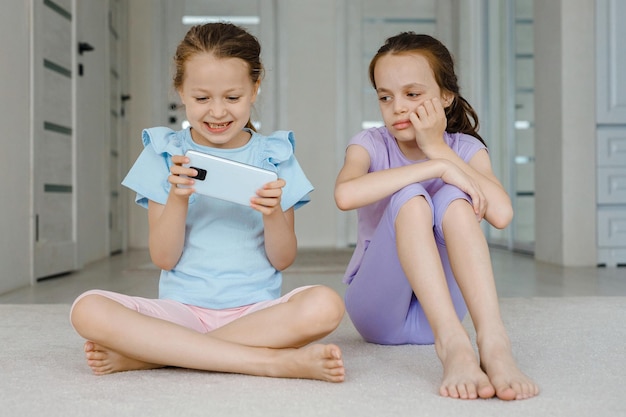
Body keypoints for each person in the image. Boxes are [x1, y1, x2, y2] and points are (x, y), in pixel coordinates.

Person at [70, 22, 345, 383]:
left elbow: (283, 259)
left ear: (255, 88)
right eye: (202, 99)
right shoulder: (164, 153)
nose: (217, 112)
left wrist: (273, 213)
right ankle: (271, 362)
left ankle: (155, 356)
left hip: (257, 314)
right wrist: (179, 198)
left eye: (232, 98)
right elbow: (164, 258)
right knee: (86, 310)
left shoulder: (275, 156)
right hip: (181, 312)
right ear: (180, 91)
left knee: (327, 305)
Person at [334, 32, 538, 399]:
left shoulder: (463, 147)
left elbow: (503, 214)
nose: (398, 107)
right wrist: (432, 169)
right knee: (411, 197)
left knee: (453, 201)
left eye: (412, 94)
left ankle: (493, 343)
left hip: (437, 315)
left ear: (446, 96)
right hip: (376, 315)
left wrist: (437, 150)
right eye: (385, 96)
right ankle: (454, 348)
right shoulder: (370, 144)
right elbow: (345, 195)